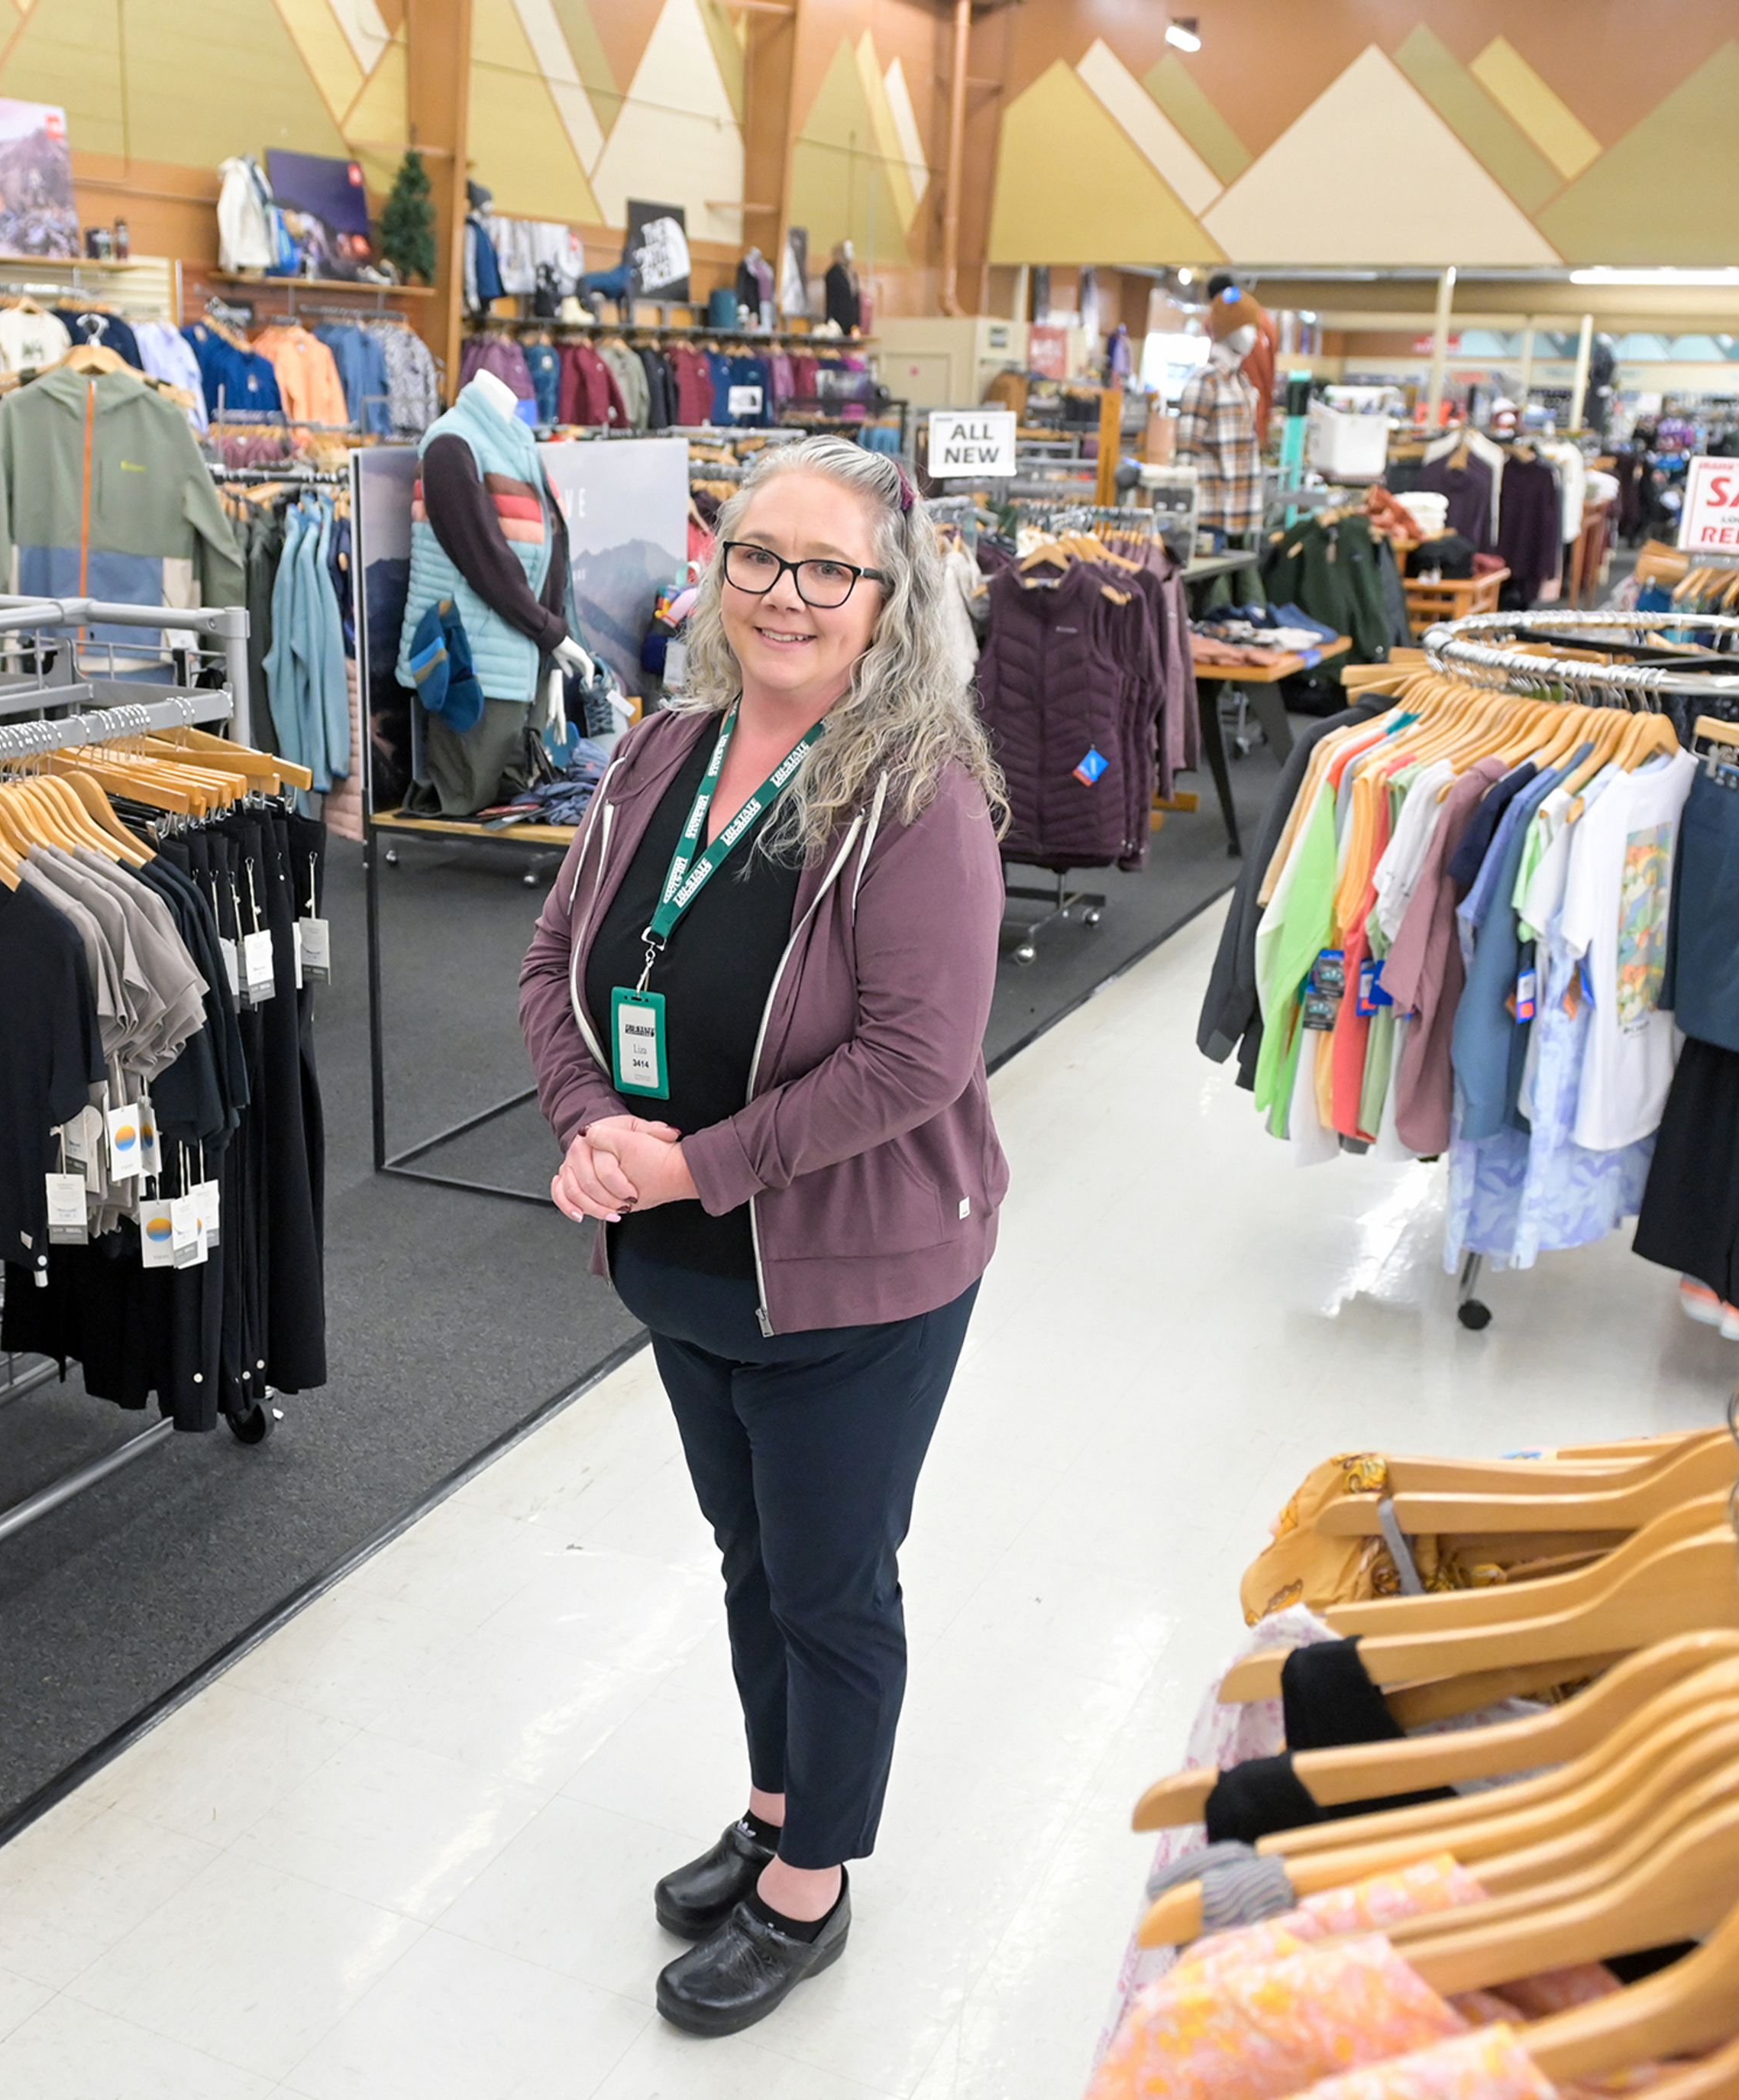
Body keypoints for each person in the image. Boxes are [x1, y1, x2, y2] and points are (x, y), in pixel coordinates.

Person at [516, 435, 1009, 2037]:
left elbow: (917, 1058)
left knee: (831, 1581)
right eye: (756, 558)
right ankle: (775, 1799)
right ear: (714, 572)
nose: (785, 595)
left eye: (828, 569)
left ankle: (813, 1886)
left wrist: (693, 1164)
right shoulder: (667, 749)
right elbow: (552, 963)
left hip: (854, 1274)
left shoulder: (916, 791)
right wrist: (592, 1122)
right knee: (751, 1564)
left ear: (887, 598)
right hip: (689, 1270)